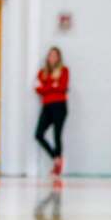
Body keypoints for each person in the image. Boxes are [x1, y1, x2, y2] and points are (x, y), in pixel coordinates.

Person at [35, 47, 69, 176]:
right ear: (48, 57)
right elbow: (38, 89)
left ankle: (58, 166)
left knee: (56, 135)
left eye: (55, 55)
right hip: (47, 106)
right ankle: (56, 158)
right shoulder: (42, 72)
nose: (53, 58)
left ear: (59, 57)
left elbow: (63, 87)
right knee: (38, 134)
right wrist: (53, 84)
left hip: (60, 106)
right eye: (51, 55)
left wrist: (47, 86)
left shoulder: (64, 71)